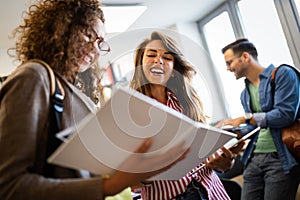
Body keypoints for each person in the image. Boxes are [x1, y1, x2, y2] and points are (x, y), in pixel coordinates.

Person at [0, 1, 189, 199]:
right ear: (62, 29)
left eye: (100, 42)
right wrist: (107, 186)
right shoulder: (34, 76)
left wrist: (137, 170)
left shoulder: (76, 93)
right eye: (88, 34)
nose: (95, 48)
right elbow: (8, 186)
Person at [130, 31, 244, 200]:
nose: (159, 60)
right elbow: (132, 183)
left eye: (167, 58)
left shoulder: (188, 101)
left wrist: (225, 163)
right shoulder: (130, 111)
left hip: (211, 192)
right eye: (151, 55)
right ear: (140, 62)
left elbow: (209, 153)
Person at [220, 38, 300, 200]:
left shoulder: (283, 74)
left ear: (245, 57)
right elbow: (254, 128)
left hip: (280, 158)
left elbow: (285, 114)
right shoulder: (245, 94)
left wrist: (245, 117)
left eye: (230, 62)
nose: (228, 68)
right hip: (253, 157)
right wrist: (232, 133)